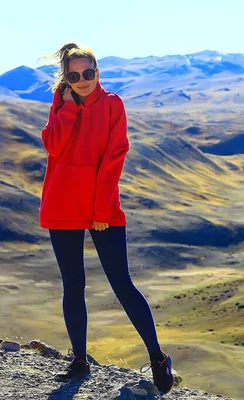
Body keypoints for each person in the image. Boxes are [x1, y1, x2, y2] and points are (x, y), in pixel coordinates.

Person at [38, 42, 175, 394]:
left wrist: (101, 211)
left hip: (103, 207)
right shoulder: (61, 103)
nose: (83, 80)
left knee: (122, 284)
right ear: (66, 78)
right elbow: (53, 147)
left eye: (88, 73)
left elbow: (115, 156)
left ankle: (158, 357)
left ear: (98, 72)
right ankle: (79, 360)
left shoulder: (113, 104)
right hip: (62, 203)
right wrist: (67, 110)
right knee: (73, 285)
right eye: (75, 76)